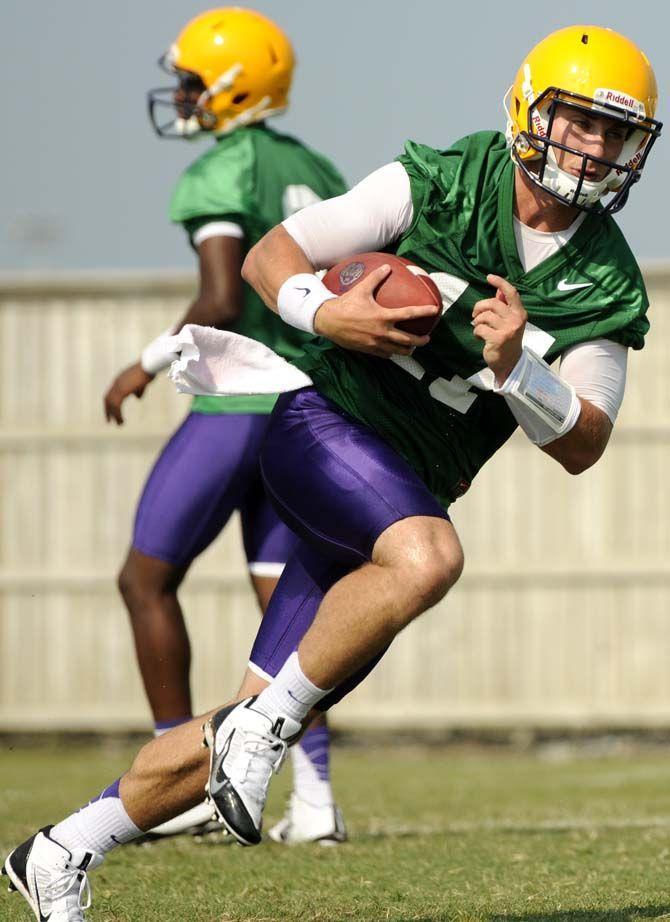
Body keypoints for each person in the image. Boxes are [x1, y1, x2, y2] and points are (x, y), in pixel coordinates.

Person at [3, 24, 662, 920]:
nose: (594, 147)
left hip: (399, 491)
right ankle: (264, 731)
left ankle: (60, 850)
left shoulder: (607, 280)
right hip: (324, 427)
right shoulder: (444, 177)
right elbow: (275, 252)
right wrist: (326, 316)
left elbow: (584, 442)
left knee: (232, 730)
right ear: (527, 109)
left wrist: (521, 372)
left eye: (614, 132)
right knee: (430, 561)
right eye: (578, 121)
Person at [102, 7, 348, 842]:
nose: (182, 96)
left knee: (143, 581)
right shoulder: (312, 163)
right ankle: (315, 803)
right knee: (292, 612)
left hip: (237, 402)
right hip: (307, 405)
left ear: (235, 85)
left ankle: (185, 786)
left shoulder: (218, 173)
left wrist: (142, 362)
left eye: (193, 82)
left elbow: (217, 299)